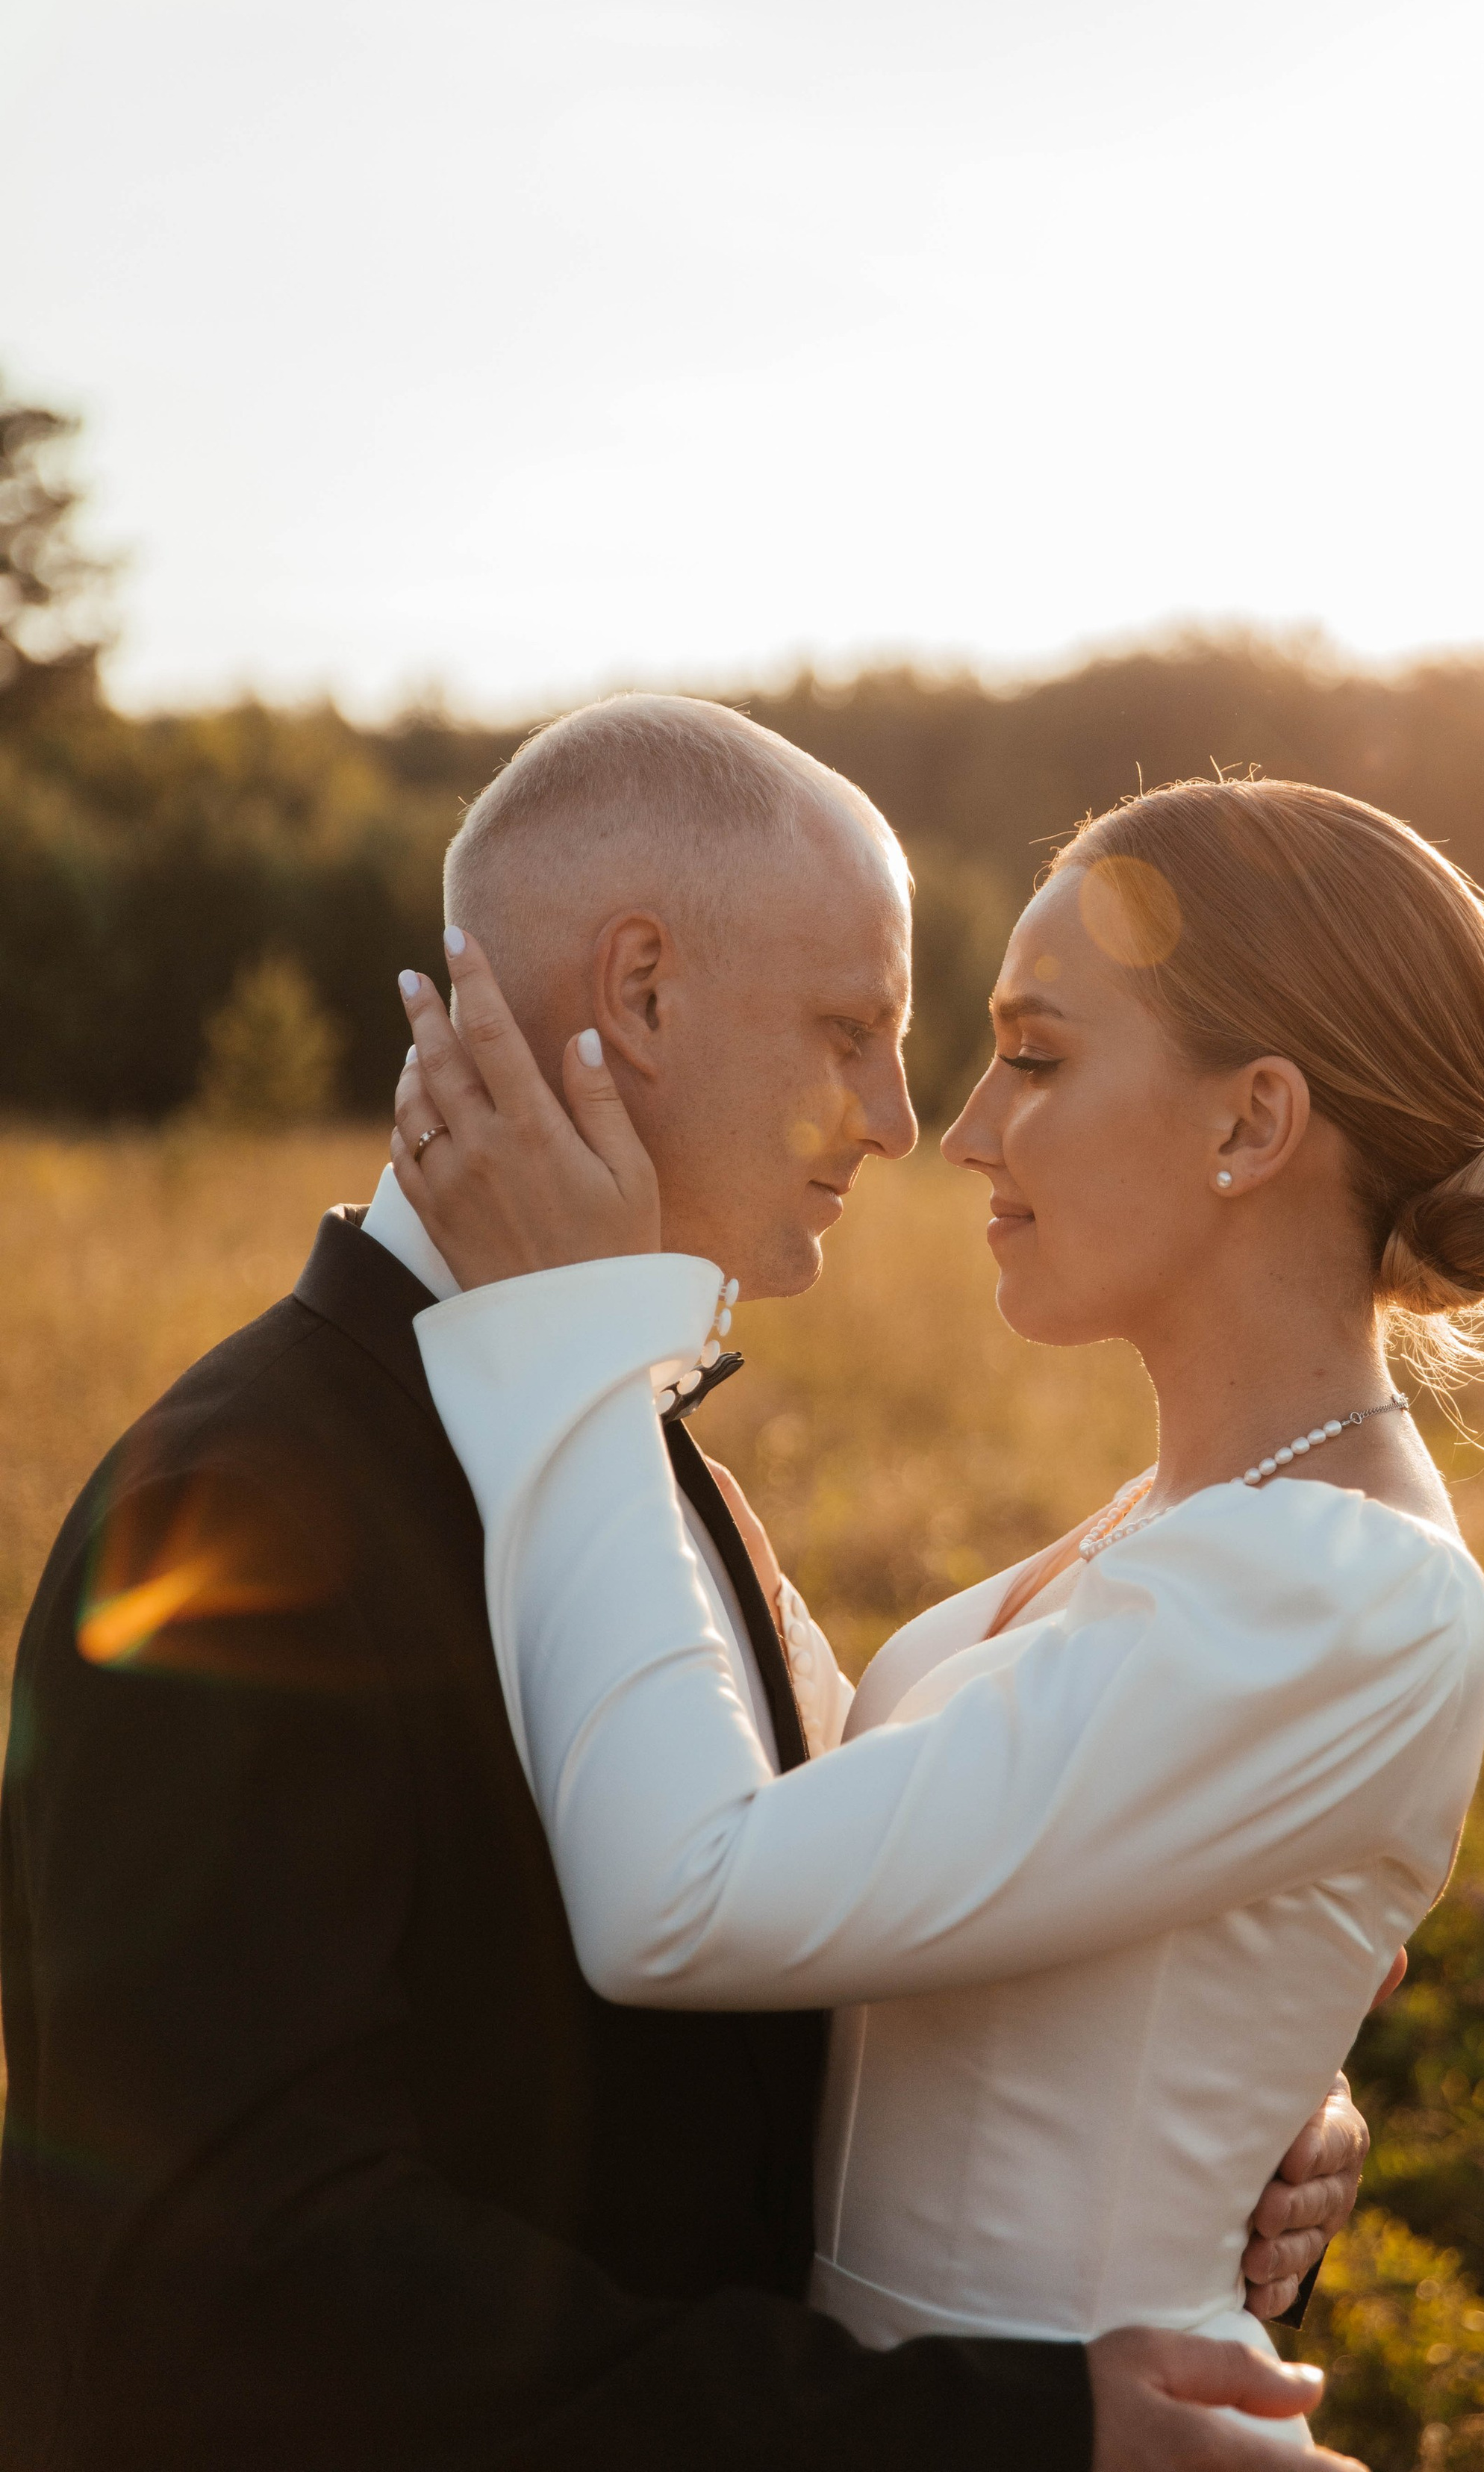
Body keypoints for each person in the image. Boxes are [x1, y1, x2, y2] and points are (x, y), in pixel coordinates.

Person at [0, 698, 1371, 2472]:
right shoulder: (241, 1508)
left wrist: (1202, 2099)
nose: (896, 1118)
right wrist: (1006, 2442)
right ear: (640, 993)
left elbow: (774, 2046)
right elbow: (238, 2295)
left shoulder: (650, 1480)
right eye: (850, 1028)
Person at [387, 745, 1484, 2459]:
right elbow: (870, 1844)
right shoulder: (1178, 1528)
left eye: (1035, 1057)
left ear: (1250, 1122)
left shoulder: (1338, 1594)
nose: (959, 1132)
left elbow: (682, 1895)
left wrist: (575, 1336)